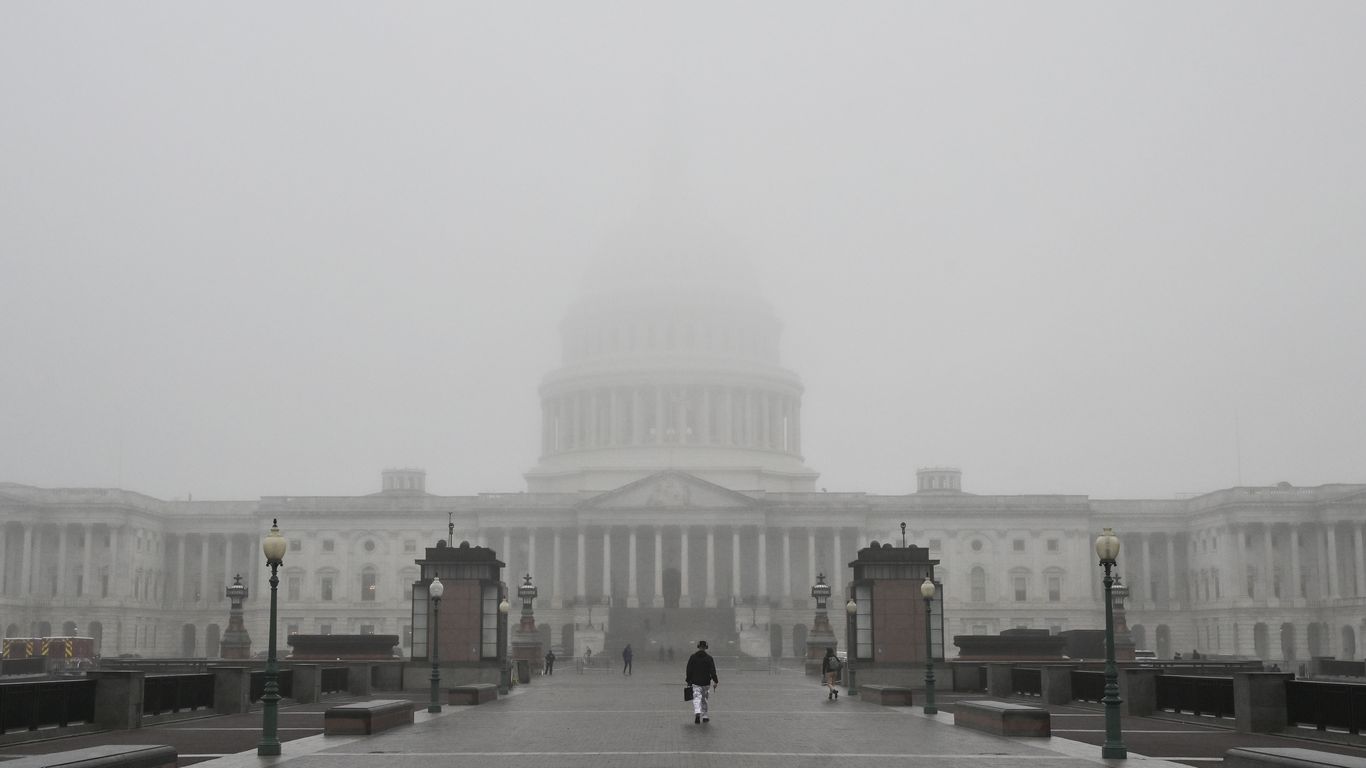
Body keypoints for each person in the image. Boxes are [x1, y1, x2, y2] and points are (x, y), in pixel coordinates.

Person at [685, 640, 719, 724]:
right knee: (704, 699)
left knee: (696, 698)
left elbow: (689, 670)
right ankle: (705, 716)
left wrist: (688, 680)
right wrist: (715, 681)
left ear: (698, 647)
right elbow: (713, 671)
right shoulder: (709, 658)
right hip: (706, 682)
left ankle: (697, 712)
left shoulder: (693, 657)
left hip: (695, 681)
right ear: (706, 647)